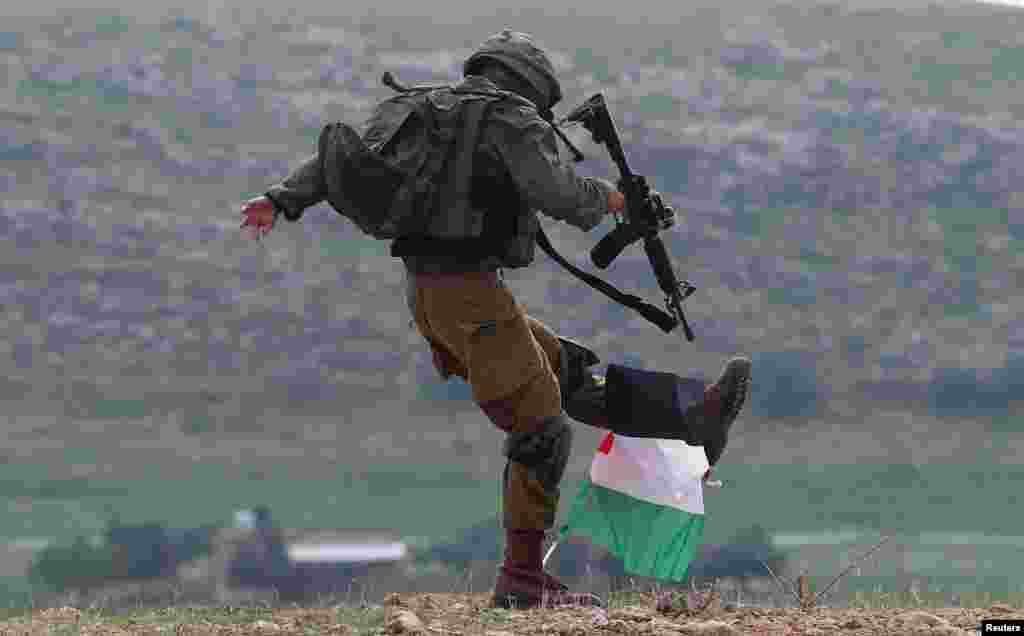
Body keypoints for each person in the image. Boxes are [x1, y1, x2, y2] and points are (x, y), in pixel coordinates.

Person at [239, 29, 751, 610]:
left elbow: (341, 159)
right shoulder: (510, 119)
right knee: (542, 429)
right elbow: (559, 194)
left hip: (436, 292)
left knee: (565, 368)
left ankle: (693, 417)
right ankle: (523, 583)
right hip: (467, 295)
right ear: (532, 88)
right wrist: (608, 199)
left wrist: (280, 198)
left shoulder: (418, 106)